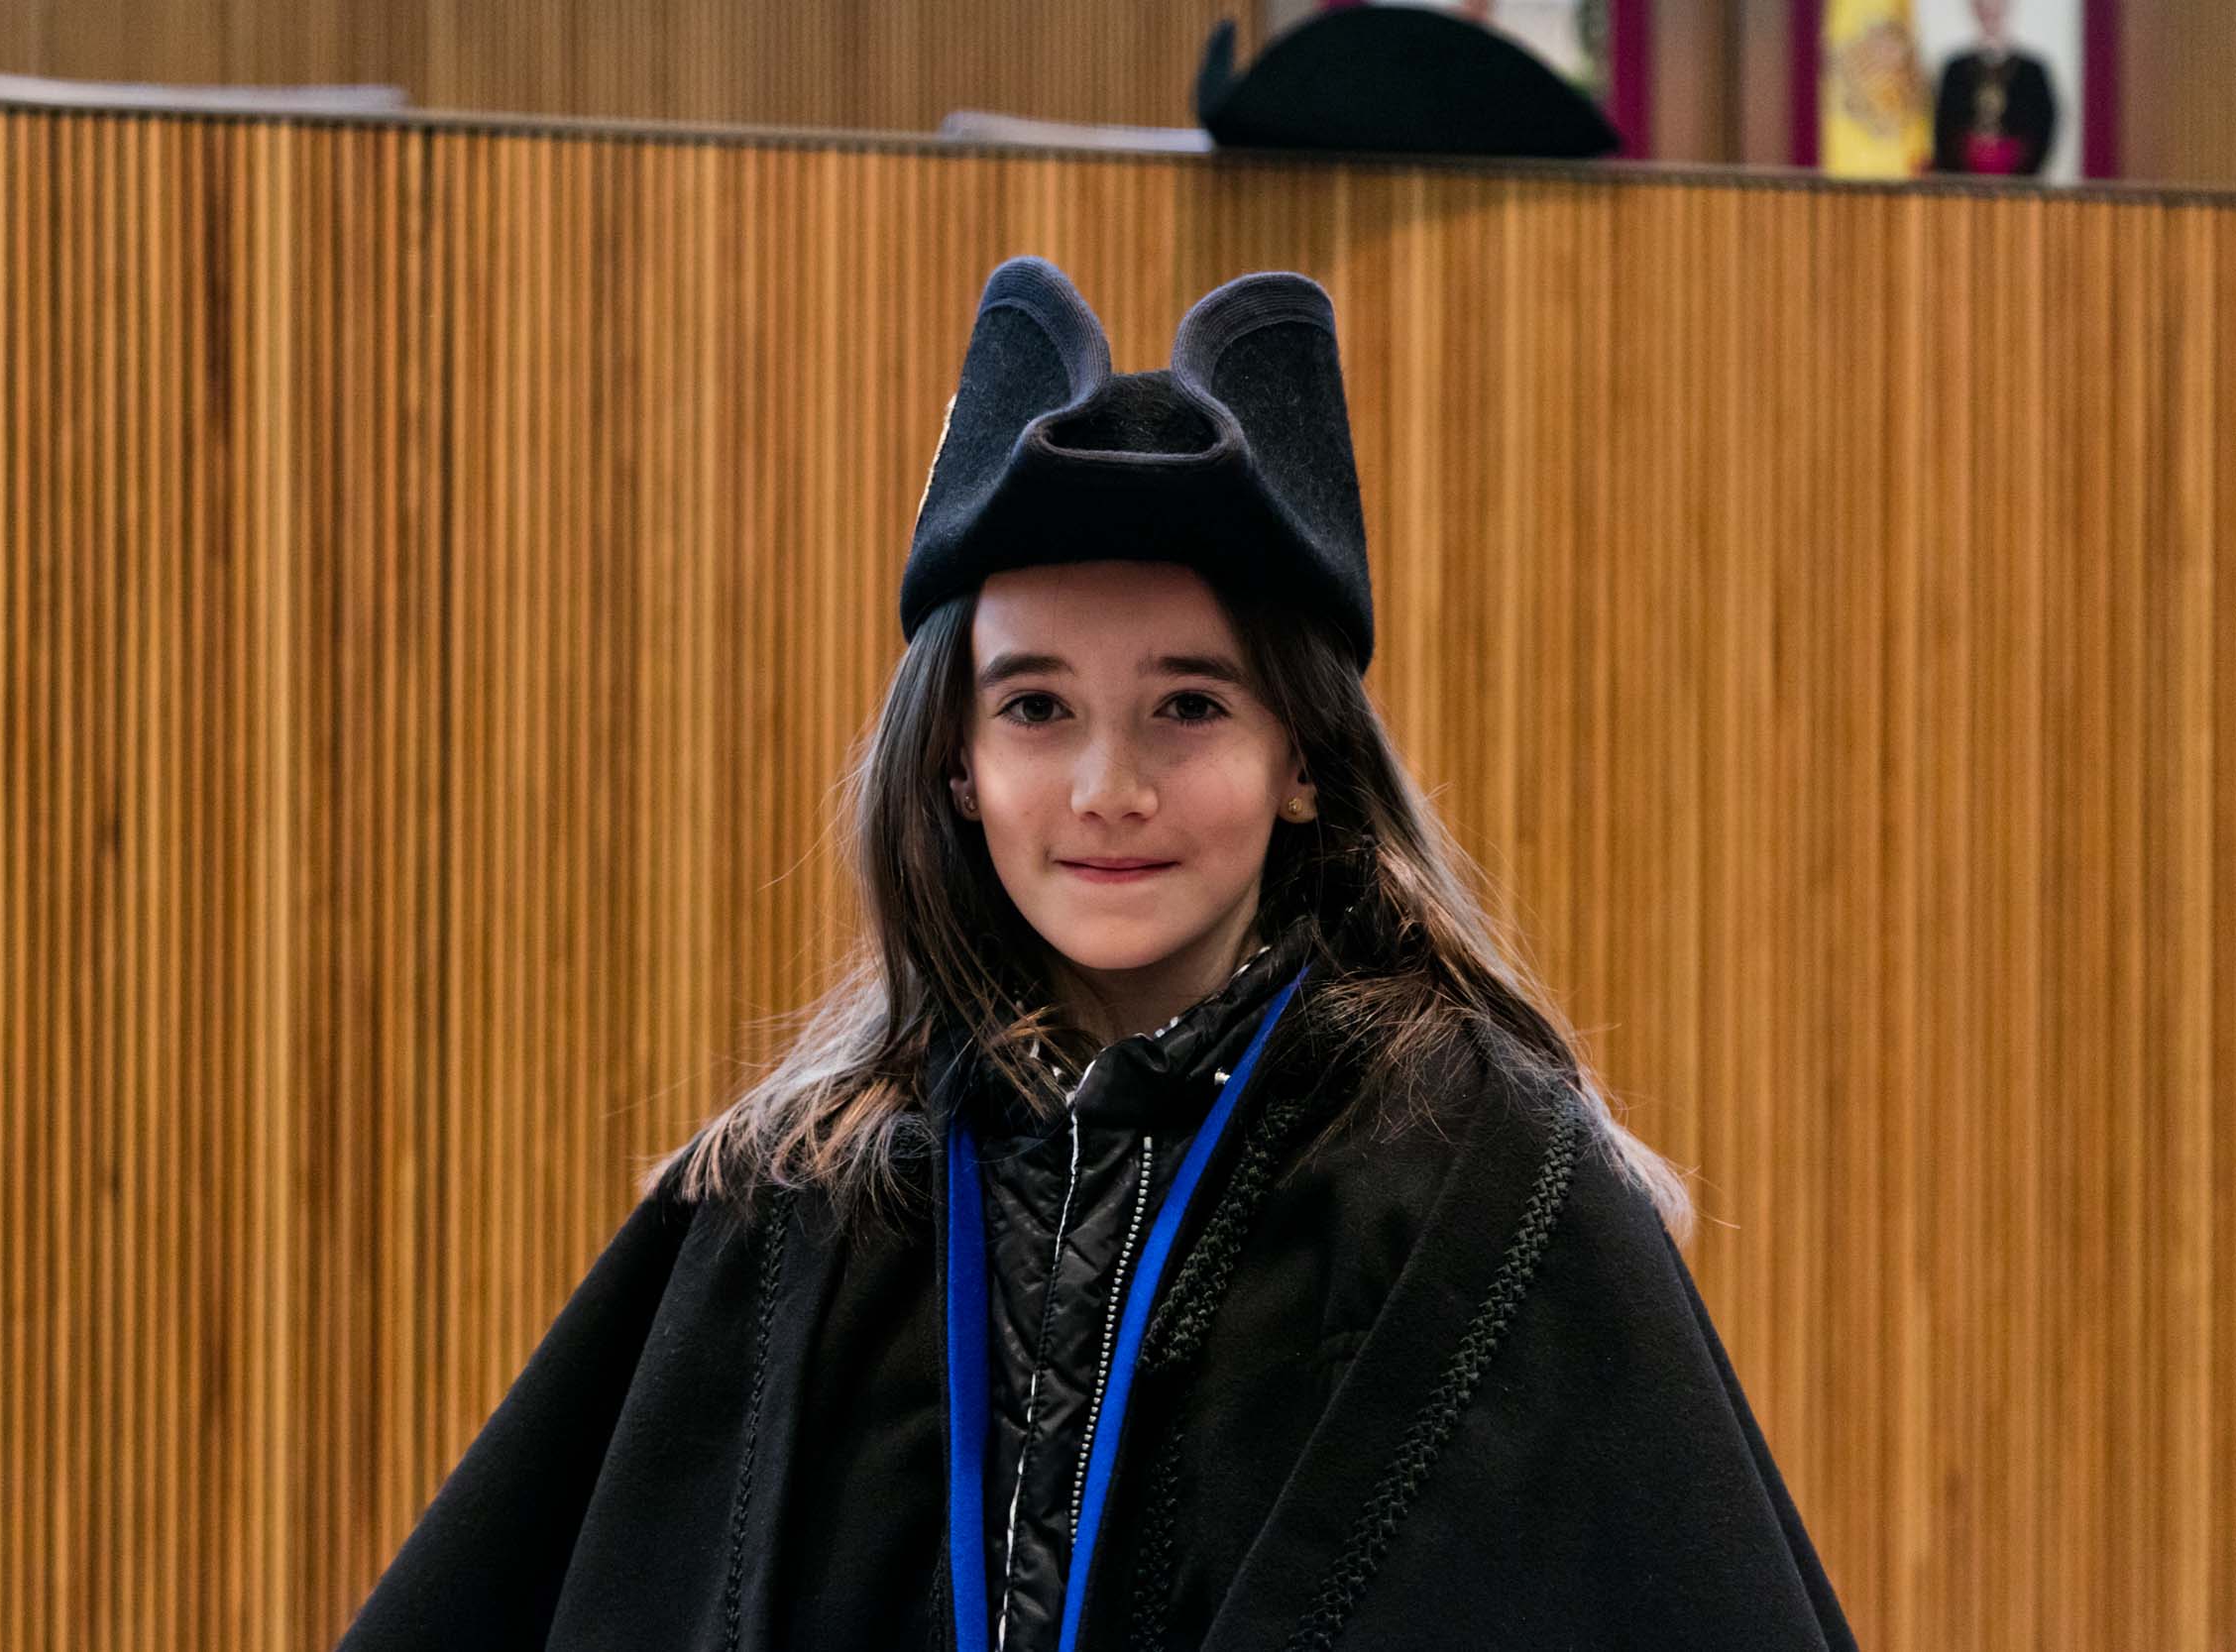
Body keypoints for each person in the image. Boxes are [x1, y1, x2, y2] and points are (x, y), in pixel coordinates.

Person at [333, 255, 1859, 1650]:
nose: (1107, 787)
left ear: (1302, 755)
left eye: (1189, 704)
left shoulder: (1475, 1181)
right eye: (1036, 706)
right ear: (954, 758)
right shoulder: (800, 1199)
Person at [1929, 0, 2059, 176]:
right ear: (1974, 9)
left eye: (1996, 5)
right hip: (1964, 180)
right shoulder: (1955, 69)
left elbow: (2045, 126)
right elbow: (1943, 125)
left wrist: (2025, 176)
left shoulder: (2032, 71)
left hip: (2019, 180)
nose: (1990, 12)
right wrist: (1956, 176)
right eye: (1984, 6)